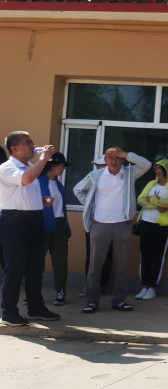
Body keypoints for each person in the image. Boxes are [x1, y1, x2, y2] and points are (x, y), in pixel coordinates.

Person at [73, 146, 151, 314]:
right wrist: (90, 204)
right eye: (110, 157)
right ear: (105, 160)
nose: (114, 160)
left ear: (122, 159)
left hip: (123, 224)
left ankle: (119, 300)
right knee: (95, 266)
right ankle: (92, 301)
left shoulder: (129, 173)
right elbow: (78, 189)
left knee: (122, 267)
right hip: (99, 225)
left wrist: (126, 154)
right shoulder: (96, 175)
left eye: (117, 157)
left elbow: (147, 164)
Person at [0, 132, 61, 326]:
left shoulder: (30, 168)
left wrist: (41, 201)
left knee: (35, 268)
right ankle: (9, 312)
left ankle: (35, 308)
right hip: (14, 222)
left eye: (32, 142)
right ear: (14, 149)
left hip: (34, 220)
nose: (32, 146)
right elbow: (25, 180)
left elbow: (24, 191)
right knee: (15, 268)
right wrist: (43, 159)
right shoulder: (7, 168)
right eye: (27, 143)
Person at [135, 159, 168, 300]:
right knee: (145, 255)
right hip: (146, 223)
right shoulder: (151, 184)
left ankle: (152, 288)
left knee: (158, 256)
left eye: (161, 168)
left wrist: (152, 199)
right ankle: (144, 287)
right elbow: (140, 199)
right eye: (156, 168)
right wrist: (157, 205)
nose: (158, 171)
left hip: (163, 225)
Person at [38, 152, 72, 306]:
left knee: (60, 261)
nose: (64, 168)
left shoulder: (59, 185)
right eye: (62, 165)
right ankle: (33, 292)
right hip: (42, 226)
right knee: (36, 261)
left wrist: (65, 227)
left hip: (59, 225)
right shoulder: (37, 182)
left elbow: (62, 208)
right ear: (53, 165)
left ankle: (61, 291)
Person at [81, 156, 113, 298]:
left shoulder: (118, 178)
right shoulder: (93, 177)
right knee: (91, 255)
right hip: (94, 222)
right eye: (97, 165)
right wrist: (90, 204)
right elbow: (78, 190)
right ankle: (89, 285)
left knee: (108, 255)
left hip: (112, 222)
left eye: (101, 165)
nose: (98, 168)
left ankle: (102, 285)